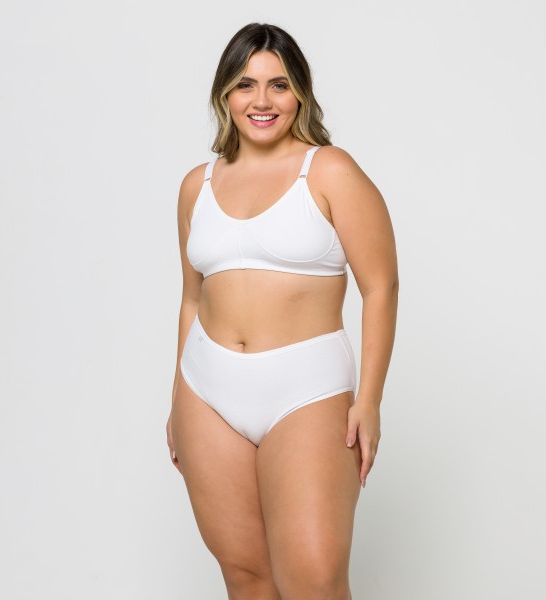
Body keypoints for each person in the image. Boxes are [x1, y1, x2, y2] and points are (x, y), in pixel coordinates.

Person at [167, 22, 399, 600]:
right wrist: (177, 397)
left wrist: (369, 401)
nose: (262, 101)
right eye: (246, 85)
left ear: (300, 93)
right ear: (225, 94)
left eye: (279, 84)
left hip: (306, 388)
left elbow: (381, 287)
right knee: (247, 578)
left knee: (314, 581)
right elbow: (193, 297)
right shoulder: (197, 186)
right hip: (207, 391)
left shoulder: (330, 171)